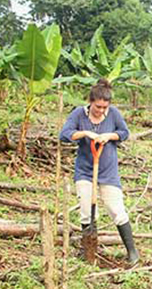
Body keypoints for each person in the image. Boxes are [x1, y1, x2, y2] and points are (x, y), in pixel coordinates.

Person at [59, 78, 139, 265]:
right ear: (90, 102)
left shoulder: (113, 114)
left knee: (116, 210)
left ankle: (132, 251)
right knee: (87, 211)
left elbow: (124, 132)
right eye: (98, 107)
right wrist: (86, 133)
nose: (101, 111)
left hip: (108, 171)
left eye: (104, 107)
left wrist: (109, 136)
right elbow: (64, 134)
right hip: (85, 171)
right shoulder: (79, 114)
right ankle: (89, 250)